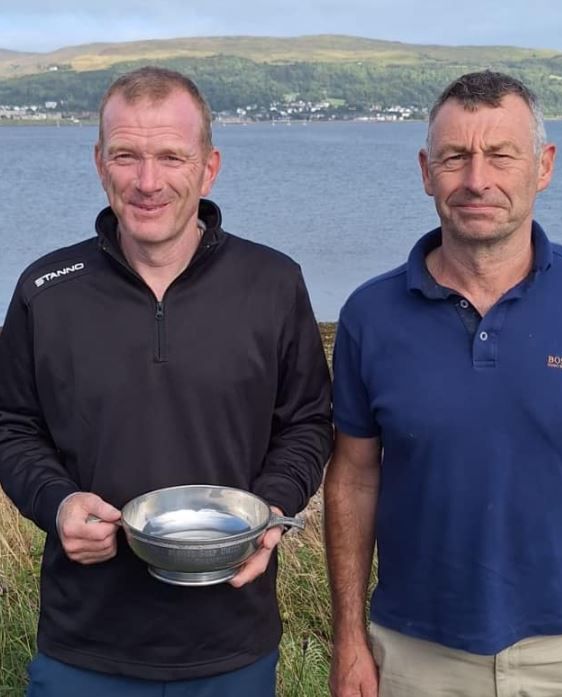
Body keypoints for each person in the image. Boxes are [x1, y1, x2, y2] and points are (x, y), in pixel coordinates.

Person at [0, 66, 332, 696]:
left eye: (171, 157)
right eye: (126, 155)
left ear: (209, 168)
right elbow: (12, 425)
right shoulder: (45, 290)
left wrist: (272, 506)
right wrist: (56, 502)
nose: (147, 182)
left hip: (233, 642)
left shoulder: (273, 283)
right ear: (100, 163)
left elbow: (308, 421)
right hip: (82, 644)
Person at [325, 70, 562, 697]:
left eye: (501, 155)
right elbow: (353, 479)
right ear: (426, 172)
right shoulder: (370, 315)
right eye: (454, 157)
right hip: (414, 655)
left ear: (543, 166)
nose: (476, 179)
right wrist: (349, 637)